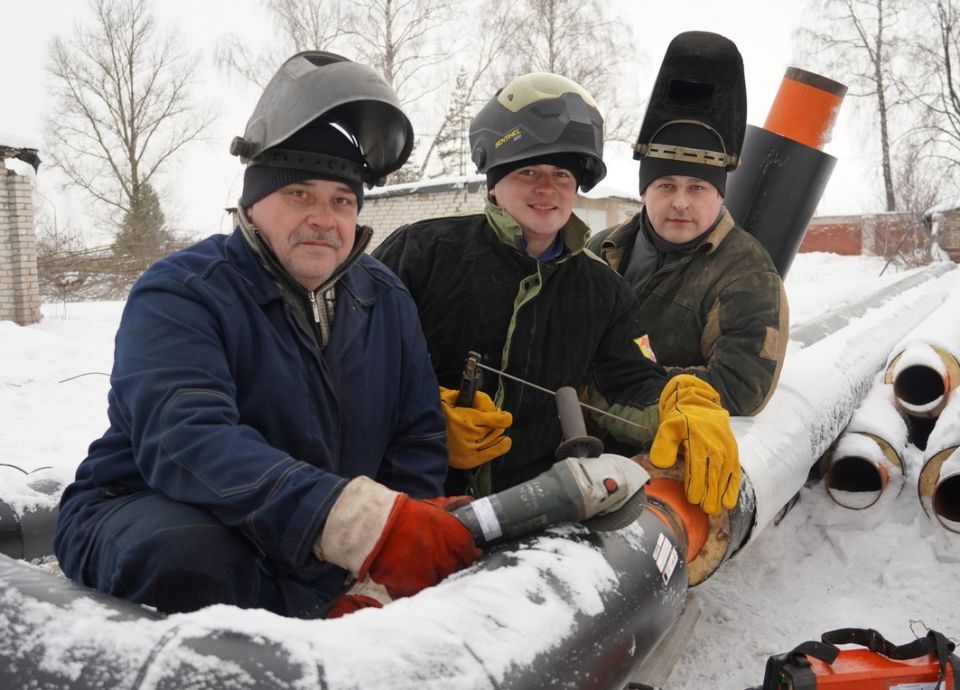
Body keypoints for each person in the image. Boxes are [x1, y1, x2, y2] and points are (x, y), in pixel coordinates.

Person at [53, 51, 479, 619]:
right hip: (152, 507)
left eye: (342, 200)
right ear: (254, 204)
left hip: (309, 533)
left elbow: (416, 438)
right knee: (187, 552)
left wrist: (386, 571)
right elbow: (188, 440)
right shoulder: (182, 291)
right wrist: (355, 522)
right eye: (300, 194)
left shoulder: (386, 299)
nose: (324, 218)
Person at [373, 72, 741, 516]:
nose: (547, 188)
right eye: (528, 171)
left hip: (533, 510)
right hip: (409, 506)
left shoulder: (603, 288)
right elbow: (351, 364)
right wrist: (425, 421)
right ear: (494, 181)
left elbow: (626, 381)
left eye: (562, 174)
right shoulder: (422, 253)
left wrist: (674, 403)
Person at [587, 32, 788, 418]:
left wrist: (622, 382)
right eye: (666, 185)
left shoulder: (748, 275)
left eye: (697, 187)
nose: (680, 201)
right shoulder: (600, 251)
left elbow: (740, 388)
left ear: (720, 196)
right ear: (645, 192)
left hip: (663, 445)